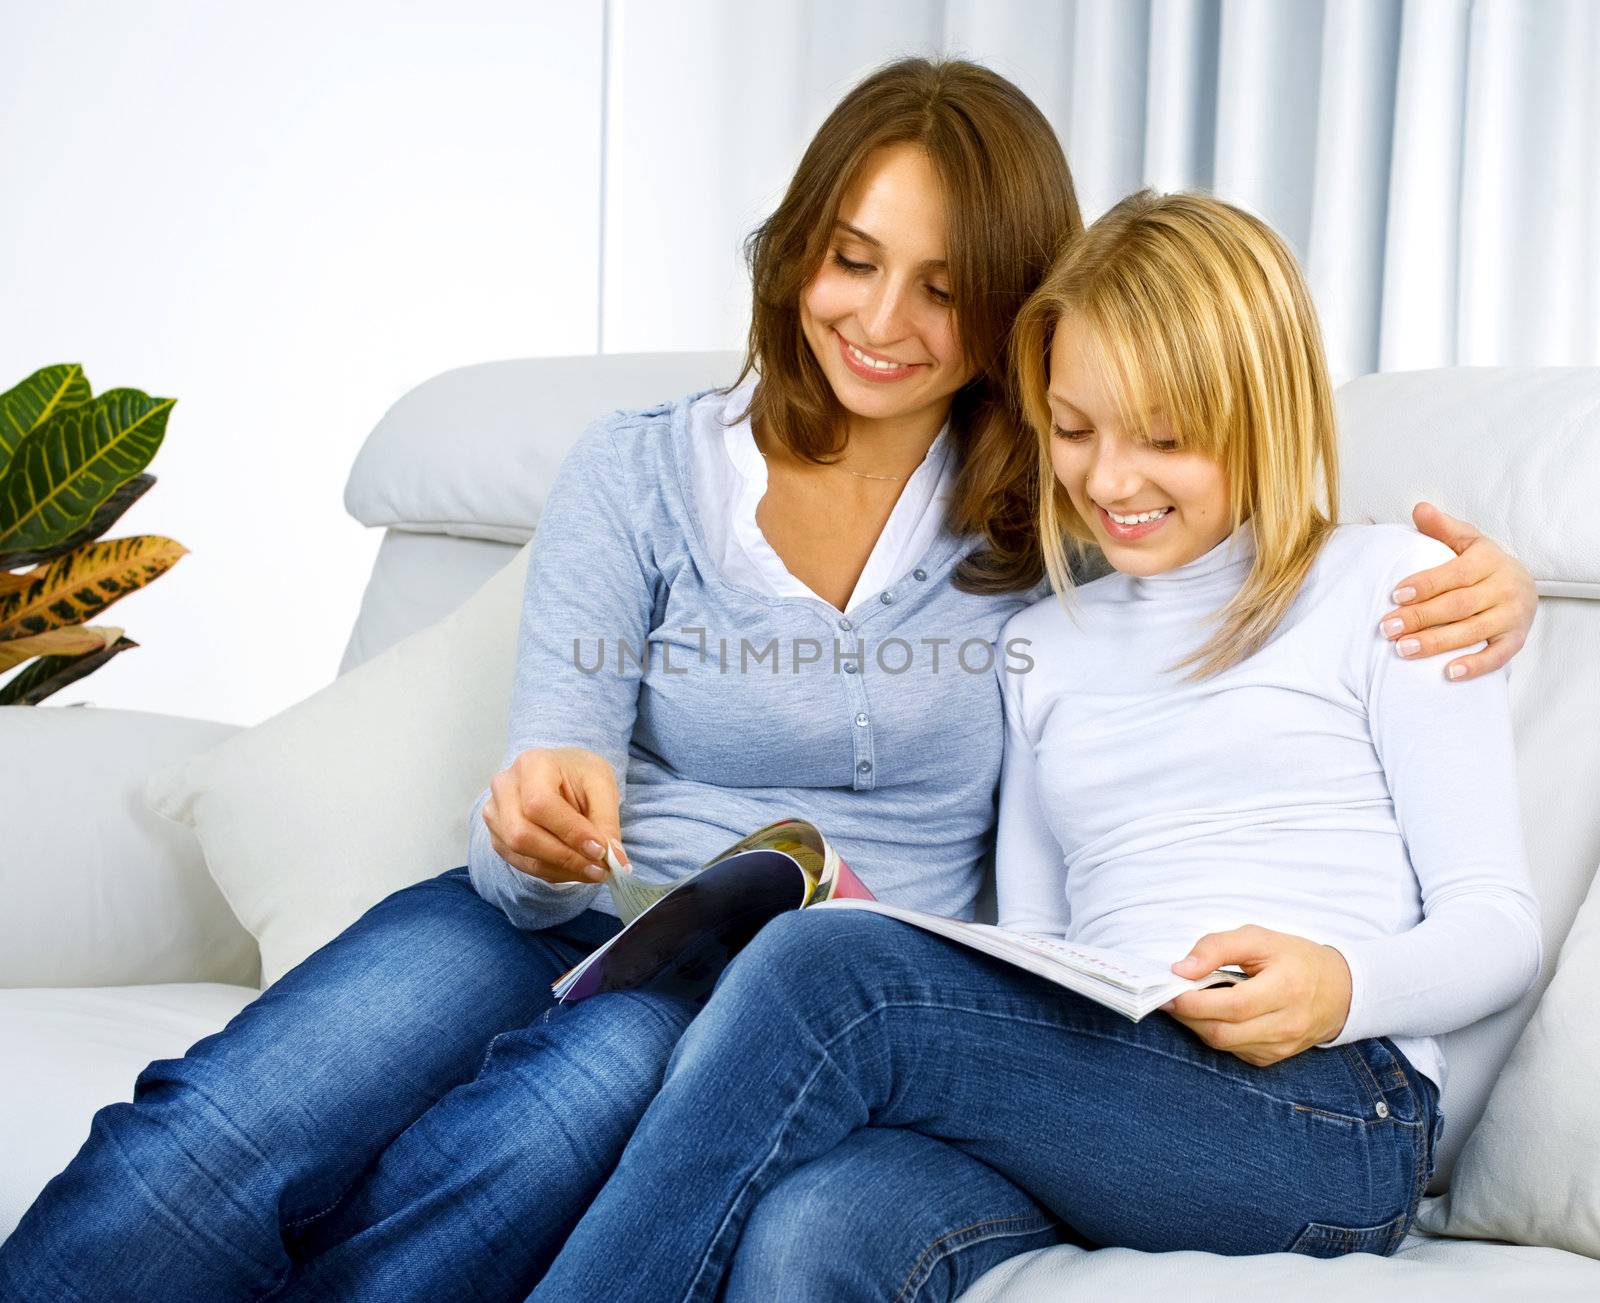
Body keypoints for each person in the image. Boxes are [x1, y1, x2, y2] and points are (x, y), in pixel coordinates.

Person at [0, 61, 1535, 1303]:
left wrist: (1497, 579)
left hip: (837, 994)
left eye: (939, 289)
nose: (878, 319)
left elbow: (1271, 544)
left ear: (1002, 315)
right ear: (797, 249)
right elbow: (574, 768)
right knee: (213, 1135)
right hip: (587, 919)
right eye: (851, 260)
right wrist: (536, 820)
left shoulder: (1041, 538)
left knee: (570, 1107)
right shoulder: (712, 498)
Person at [527, 192, 1543, 1303]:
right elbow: (1038, 942)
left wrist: (1341, 986)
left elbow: (1496, 922)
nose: (1109, 481)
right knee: (815, 1222)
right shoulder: (1039, 647)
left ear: (1264, 410)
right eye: (1072, 429)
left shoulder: (1395, 590)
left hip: (1328, 1109)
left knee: (829, 969)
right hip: (1106, 1089)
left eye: (1163, 437)